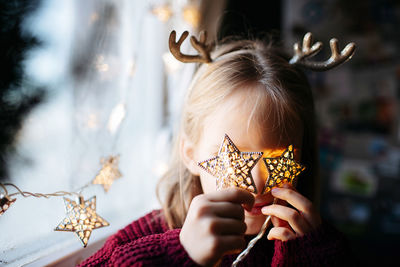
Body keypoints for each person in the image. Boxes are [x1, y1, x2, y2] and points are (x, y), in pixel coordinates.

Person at [78, 34, 355, 266]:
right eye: (235, 158)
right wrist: (179, 253)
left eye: (275, 157)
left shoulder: (325, 249)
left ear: (300, 156)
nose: (257, 185)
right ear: (190, 154)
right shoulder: (148, 235)